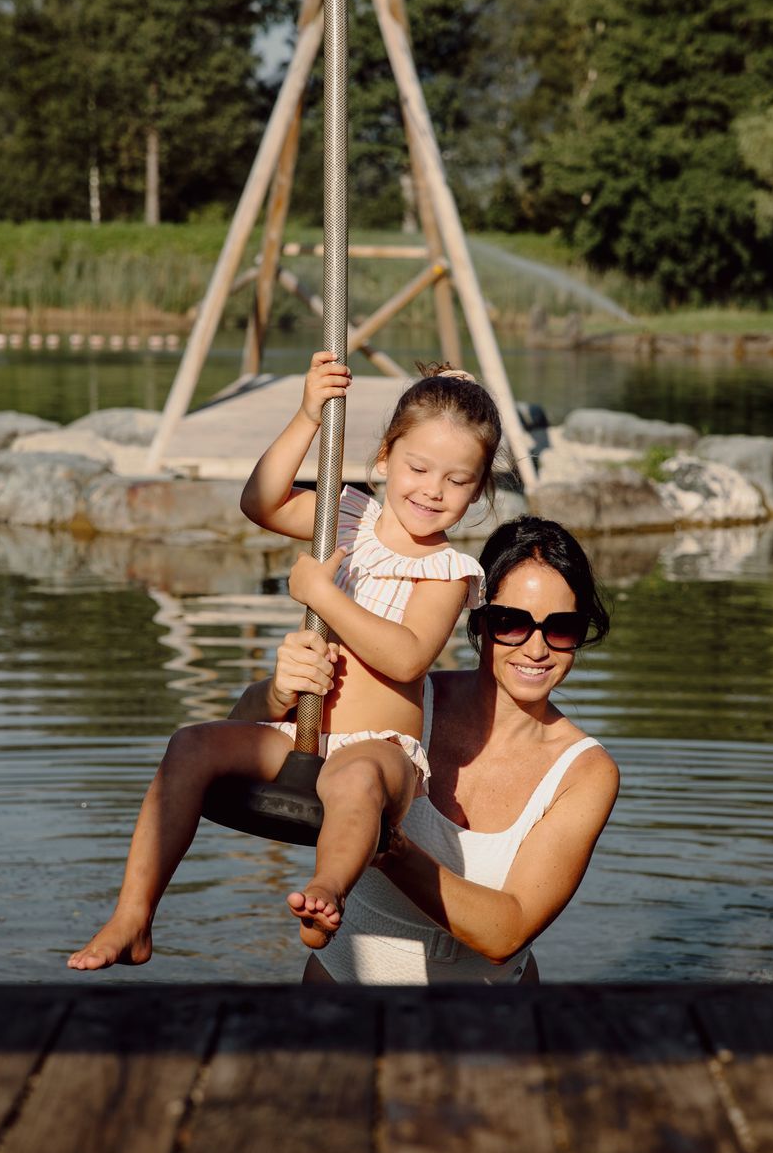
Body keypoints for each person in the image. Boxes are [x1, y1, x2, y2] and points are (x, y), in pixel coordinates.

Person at [68, 353, 498, 968]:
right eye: (418, 467)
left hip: (379, 753)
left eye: (457, 481)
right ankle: (133, 917)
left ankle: (324, 893)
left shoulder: (448, 571)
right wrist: (306, 417)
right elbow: (260, 502)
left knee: (355, 779)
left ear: (478, 489)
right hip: (300, 738)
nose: (432, 489)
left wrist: (322, 594)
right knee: (190, 743)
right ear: (384, 458)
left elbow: (405, 659)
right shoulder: (343, 516)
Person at [231, 515, 619, 983]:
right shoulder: (403, 700)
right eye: (510, 622)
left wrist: (388, 846)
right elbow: (237, 755)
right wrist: (276, 693)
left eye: (561, 628)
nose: (536, 648)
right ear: (478, 622)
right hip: (343, 993)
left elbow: (507, 934)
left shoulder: (585, 772)